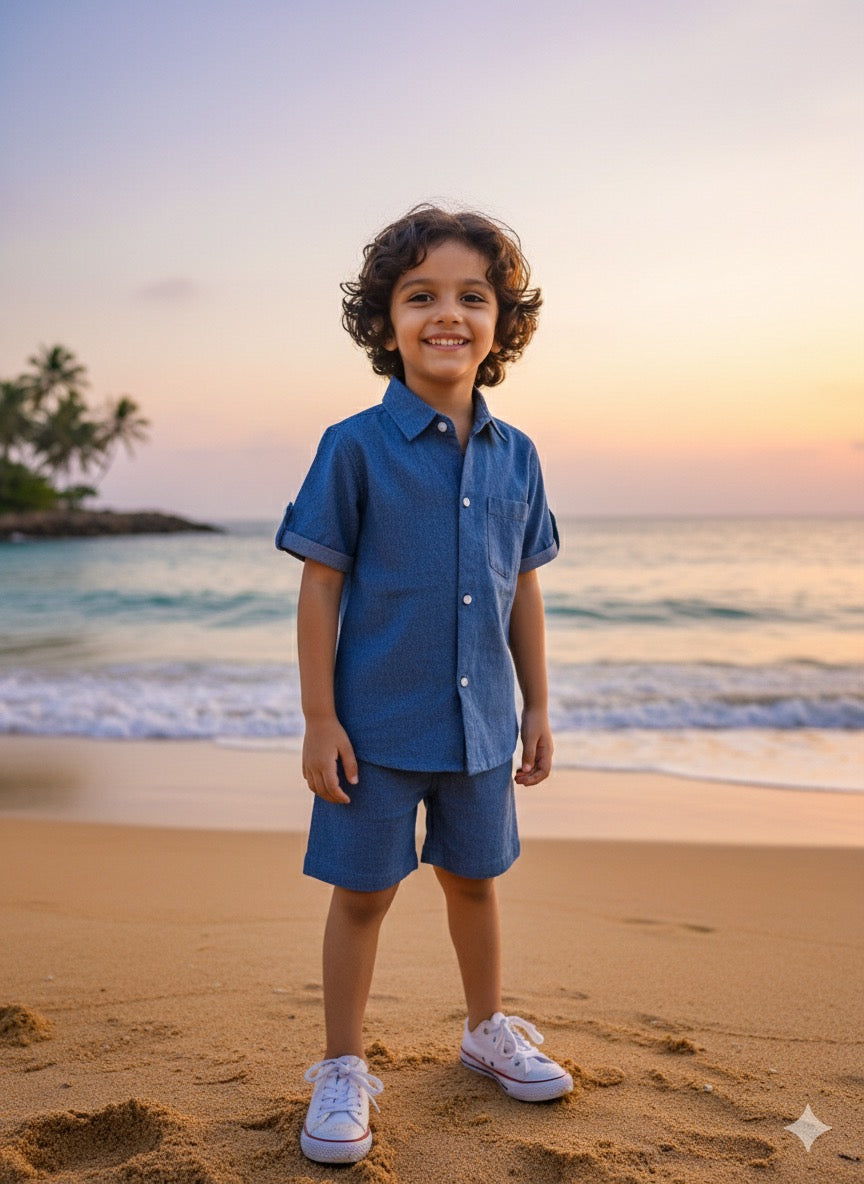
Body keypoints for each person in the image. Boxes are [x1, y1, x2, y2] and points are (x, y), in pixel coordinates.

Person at [276, 204, 571, 1166]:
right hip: (373, 726)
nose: (448, 314)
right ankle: (341, 1067)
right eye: (420, 297)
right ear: (385, 321)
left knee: (474, 882)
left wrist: (537, 703)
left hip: (482, 723)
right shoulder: (354, 446)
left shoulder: (518, 455)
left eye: (472, 297)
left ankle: (486, 1030)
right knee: (362, 895)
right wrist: (319, 718)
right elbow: (321, 587)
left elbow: (523, 588)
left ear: (501, 323)